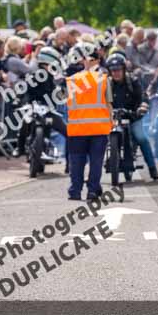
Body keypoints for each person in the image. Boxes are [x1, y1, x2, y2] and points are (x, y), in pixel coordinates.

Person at [65, 44, 113, 201]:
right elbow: (109, 103)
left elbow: (65, 102)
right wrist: (111, 123)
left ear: (85, 61)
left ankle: (75, 191)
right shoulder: (104, 80)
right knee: (96, 162)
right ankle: (92, 191)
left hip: (77, 128)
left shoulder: (72, 80)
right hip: (98, 128)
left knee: (77, 161)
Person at [106, 54, 158, 181]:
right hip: (113, 118)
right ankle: (96, 171)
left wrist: (142, 106)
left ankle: (153, 168)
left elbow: (143, 96)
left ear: (124, 69)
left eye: (119, 69)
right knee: (100, 140)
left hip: (132, 116)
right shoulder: (106, 84)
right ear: (109, 71)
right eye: (113, 70)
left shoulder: (133, 81)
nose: (116, 73)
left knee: (141, 137)